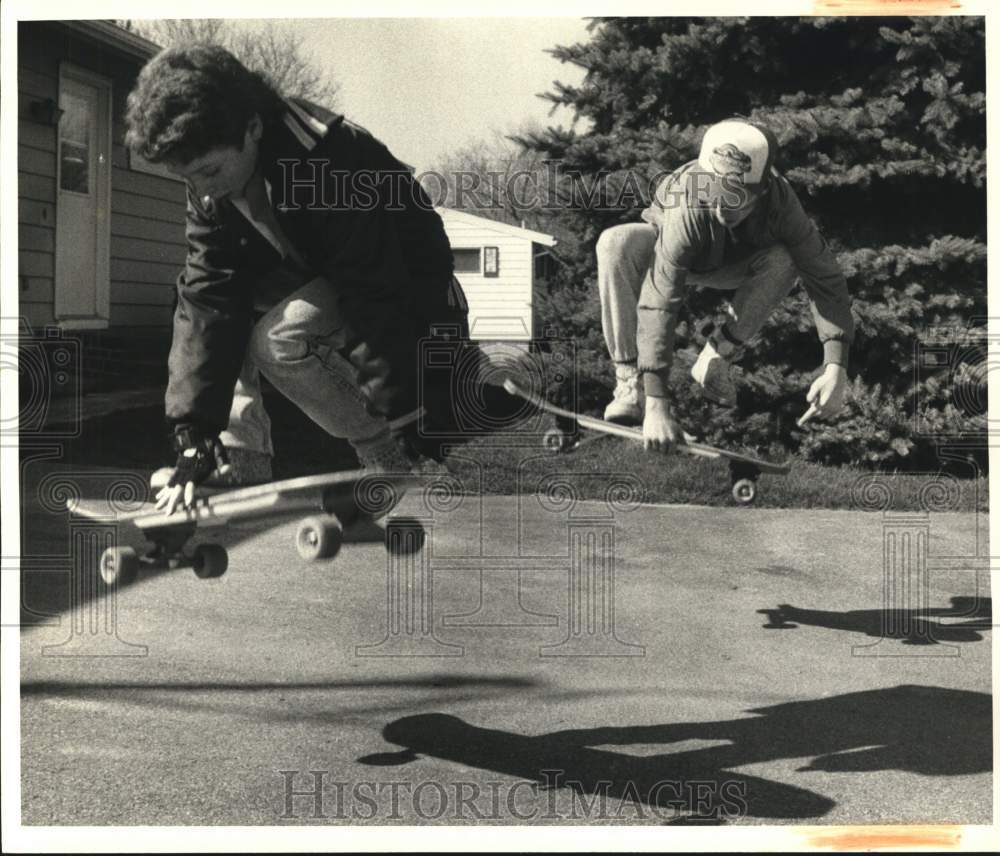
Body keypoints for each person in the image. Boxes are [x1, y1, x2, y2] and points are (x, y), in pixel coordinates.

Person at [124, 44, 509, 515]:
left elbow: (375, 290)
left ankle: (385, 452)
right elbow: (208, 297)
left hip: (410, 290)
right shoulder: (213, 182)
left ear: (253, 127)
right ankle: (236, 457)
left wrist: (407, 414)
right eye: (187, 178)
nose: (202, 191)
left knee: (278, 340)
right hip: (319, 275)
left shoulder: (327, 159)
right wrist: (192, 436)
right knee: (213, 301)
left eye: (209, 171)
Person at [595, 118, 854, 450]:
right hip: (666, 251)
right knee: (615, 242)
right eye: (716, 193)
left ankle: (719, 355)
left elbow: (825, 276)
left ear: (762, 191)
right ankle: (630, 383)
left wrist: (836, 365)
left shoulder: (782, 202)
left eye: (738, 199)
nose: (722, 208)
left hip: (737, 263)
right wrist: (657, 404)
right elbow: (659, 299)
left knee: (788, 257)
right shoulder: (686, 199)